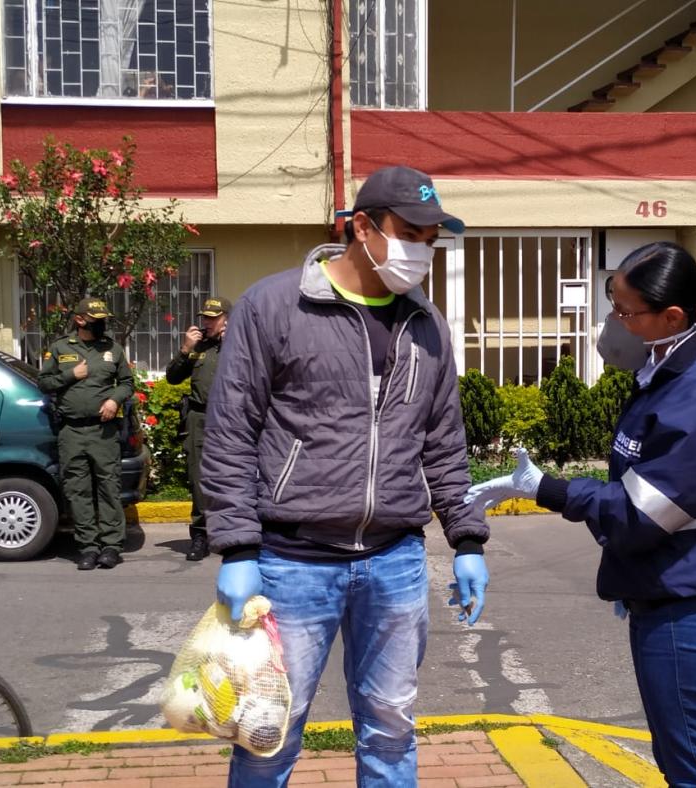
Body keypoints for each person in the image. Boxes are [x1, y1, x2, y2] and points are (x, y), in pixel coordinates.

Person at [200, 165, 490, 786]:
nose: (424, 249)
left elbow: (442, 440)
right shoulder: (275, 306)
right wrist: (236, 547)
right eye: (411, 232)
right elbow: (231, 432)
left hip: (395, 562)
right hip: (292, 562)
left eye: (433, 237)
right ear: (363, 226)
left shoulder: (427, 325)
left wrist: (466, 539)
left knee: (392, 727)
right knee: (268, 729)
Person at [467, 241, 696, 788]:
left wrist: (549, 489)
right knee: (683, 763)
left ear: (672, 316)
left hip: (690, 607)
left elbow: (642, 512)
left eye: (626, 312)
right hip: (667, 593)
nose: (614, 323)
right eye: (614, 306)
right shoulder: (666, 375)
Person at [39, 297, 134, 571]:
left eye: (103, 319)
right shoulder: (60, 348)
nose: (101, 323)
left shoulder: (112, 349)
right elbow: (44, 382)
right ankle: (88, 547)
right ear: (80, 319)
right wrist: (71, 374)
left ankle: (111, 547)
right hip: (71, 431)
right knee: (78, 491)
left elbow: (127, 383)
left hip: (102, 431)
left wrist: (114, 400)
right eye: (96, 320)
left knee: (108, 488)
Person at [165, 296, 231, 561]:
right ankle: (200, 535)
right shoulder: (197, 346)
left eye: (213, 317)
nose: (207, 322)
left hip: (230, 420)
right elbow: (172, 377)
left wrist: (231, 346)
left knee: (233, 477)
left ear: (227, 319)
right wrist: (185, 349)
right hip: (199, 418)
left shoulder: (240, 344)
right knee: (199, 479)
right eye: (205, 317)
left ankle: (232, 534)